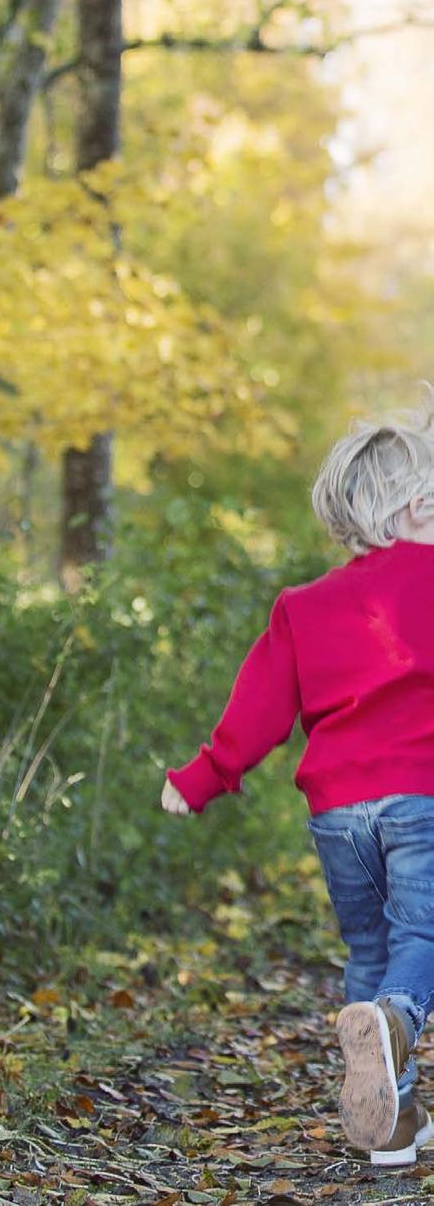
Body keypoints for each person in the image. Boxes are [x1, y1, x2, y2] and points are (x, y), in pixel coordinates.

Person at [161, 399, 434, 1167]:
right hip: (423, 795)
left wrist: (203, 776)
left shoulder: (303, 607)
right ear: (417, 506)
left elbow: (259, 713)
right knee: (425, 937)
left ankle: (393, 1122)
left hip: (339, 813)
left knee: (369, 946)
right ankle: (401, 1020)